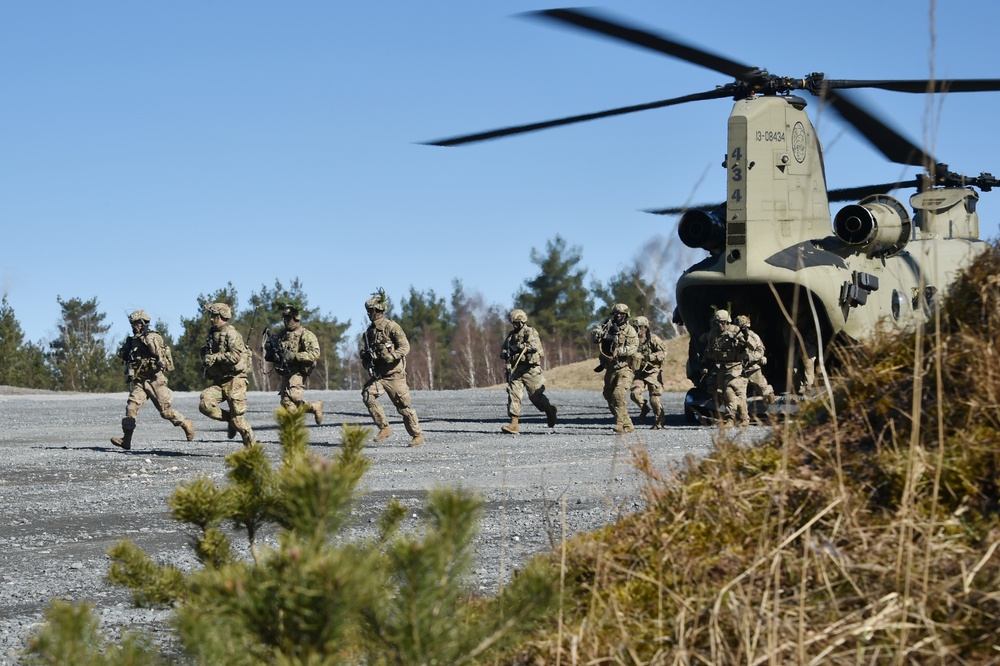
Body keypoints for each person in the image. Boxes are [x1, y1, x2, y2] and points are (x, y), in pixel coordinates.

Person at [111, 309, 194, 451]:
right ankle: (127, 440)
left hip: (155, 380)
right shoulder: (132, 341)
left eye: (137, 324)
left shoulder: (153, 337)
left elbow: (159, 354)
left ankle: (185, 423)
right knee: (131, 407)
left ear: (144, 323)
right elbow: (122, 354)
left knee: (165, 412)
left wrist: (148, 342)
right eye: (133, 324)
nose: (135, 326)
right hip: (140, 380)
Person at [360, 293, 424, 446]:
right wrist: (367, 360)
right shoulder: (369, 333)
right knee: (368, 395)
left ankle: (417, 435)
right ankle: (384, 427)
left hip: (394, 375)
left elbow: (405, 346)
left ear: (378, 310)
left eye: (371, 310)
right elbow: (364, 354)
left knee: (403, 407)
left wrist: (393, 356)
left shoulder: (391, 327)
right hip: (379, 375)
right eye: (368, 310)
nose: (369, 313)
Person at [198, 302, 256, 447]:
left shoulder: (232, 334)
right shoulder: (212, 334)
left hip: (235, 380)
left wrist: (215, 357)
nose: (211, 319)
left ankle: (251, 447)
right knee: (205, 404)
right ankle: (230, 419)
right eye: (211, 316)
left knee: (239, 420)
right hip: (219, 381)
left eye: (215, 316)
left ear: (223, 316)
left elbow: (236, 356)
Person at [500, 309, 557, 434]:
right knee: (513, 394)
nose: (514, 325)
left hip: (530, 370)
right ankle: (514, 424)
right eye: (513, 323)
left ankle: (549, 410)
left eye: (516, 323)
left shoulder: (530, 332)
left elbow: (534, 346)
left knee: (535, 397)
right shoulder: (511, 335)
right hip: (516, 369)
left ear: (521, 321)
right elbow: (504, 349)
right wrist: (506, 353)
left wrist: (518, 347)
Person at [264, 305, 324, 423]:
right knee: (286, 402)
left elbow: (315, 353)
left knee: (293, 398)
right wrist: (272, 352)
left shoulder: (305, 335)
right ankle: (313, 408)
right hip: (286, 371)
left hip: (298, 371)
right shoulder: (282, 334)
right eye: (284, 318)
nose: (286, 321)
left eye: (289, 318)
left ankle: (297, 423)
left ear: (296, 318)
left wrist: (296, 356)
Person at [591, 303, 640, 434]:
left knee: (618, 393)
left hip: (625, 368)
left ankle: (619, 423)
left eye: (621, 314)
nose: (619, 316)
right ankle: (627, 424)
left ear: (626, 315)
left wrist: (619, 350)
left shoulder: (630, 330)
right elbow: (594, 334)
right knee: (608, 395)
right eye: (617, 313)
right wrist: (598, 334)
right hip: (610, 368)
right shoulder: (607, 326)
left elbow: (634, 347)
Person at [705, 309, 749, 427]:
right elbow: (708, 351)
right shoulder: (713, 334)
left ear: (728, 322)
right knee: (735, 395)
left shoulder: (736, 331)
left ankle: (730, 419)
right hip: (721, 368)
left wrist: (745, 336)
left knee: (729, 390)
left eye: (723, 322)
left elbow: (751, 346)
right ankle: (744, 418)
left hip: (735, 367)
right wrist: (705, 364)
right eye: (717, 323)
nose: (720, 325)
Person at [629, 316, 668, 429]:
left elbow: (663, 352)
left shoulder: (653, 339)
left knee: (654, 398)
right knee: (634, 394)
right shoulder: (633, 341)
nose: (636, 330)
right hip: (640, 373)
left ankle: (659, 422)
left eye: (638, 327)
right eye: (634, 327)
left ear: (644, 328)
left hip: (653, 372)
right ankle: (644, 408)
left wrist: (650, 357)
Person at [736, 315, 776, 405]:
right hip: (738, 369)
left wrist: (749, 357)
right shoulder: (735, 337)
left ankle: (770, 393)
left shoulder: (753, 336)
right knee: (738, 392)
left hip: (752, 368)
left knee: (762, 388)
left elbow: (760, 351)